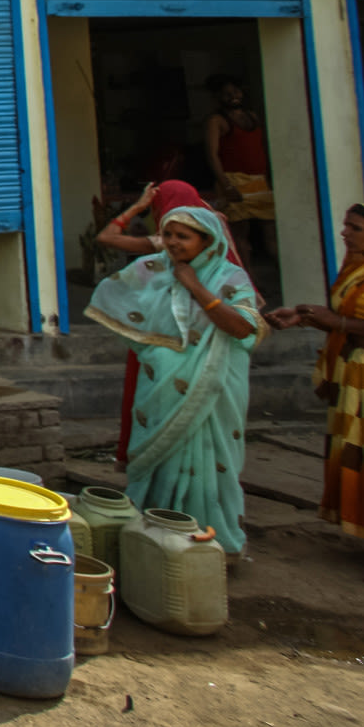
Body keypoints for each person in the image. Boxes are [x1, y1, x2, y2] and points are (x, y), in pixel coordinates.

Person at [265, 204, 364, 593]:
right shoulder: (362, 270)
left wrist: (335, 323)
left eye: (355, 228)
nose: (346, 234)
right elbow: (350, 317)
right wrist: (306, 317)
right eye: (346, 227)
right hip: (360, 378)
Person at [86, 204, 264, 555]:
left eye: (183, 236)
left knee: (211, 460)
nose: (172, 242)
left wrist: (195, 287)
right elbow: (113, 302)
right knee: (158, 458)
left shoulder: (231, 279)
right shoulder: (152, 269)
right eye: (167, 234)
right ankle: (154, 537)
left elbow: (245, 328)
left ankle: (212, 542)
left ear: (207, 240)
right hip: (163, 383)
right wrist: (156, 351)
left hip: (215, 384)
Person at [204, 73, 275, 270]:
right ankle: (250, 283)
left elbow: (263, 148)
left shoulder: (252, 117)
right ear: (217, 96)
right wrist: (226, 185)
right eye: (226, 93)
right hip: (234, 182)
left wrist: (270, 177)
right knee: (240, 240)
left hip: (261, 181)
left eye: (235, 91)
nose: (232, 96)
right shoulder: (216, 121)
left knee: (272, 237)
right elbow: (212, 155)